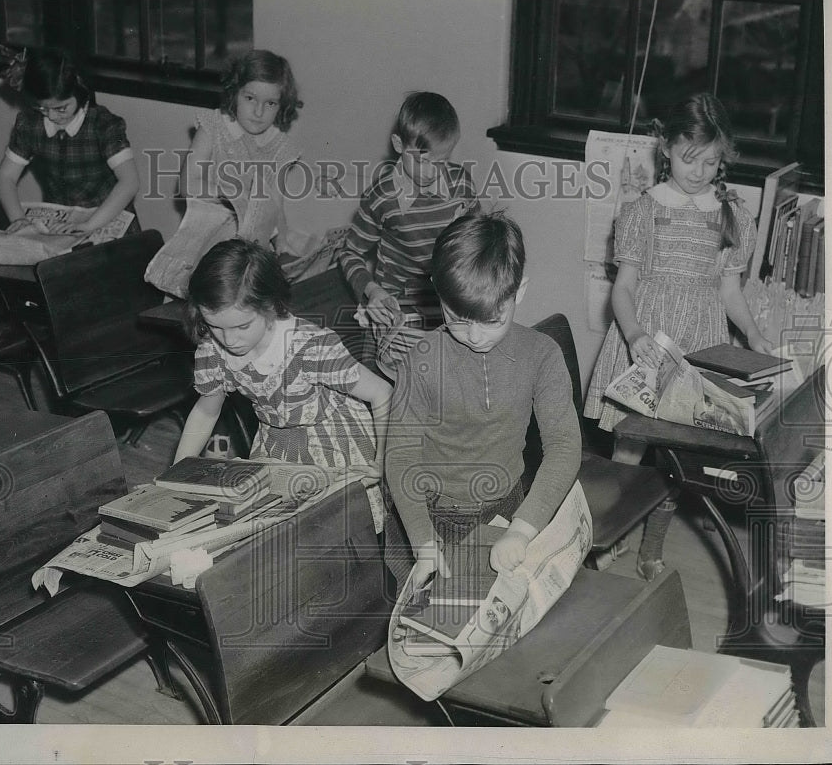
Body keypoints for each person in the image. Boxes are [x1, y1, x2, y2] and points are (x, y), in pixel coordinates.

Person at [584, 92, 772, 581]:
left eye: (712, 162)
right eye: (691, 159)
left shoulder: (732, 214)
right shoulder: (642, 212)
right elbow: (622, 290)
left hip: (699, 346)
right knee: (629, 449)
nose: (701, 171)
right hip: (647, 345)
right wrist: (634, 333)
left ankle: (652, 546)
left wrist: (752, 333)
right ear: (665, 147)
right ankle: (612, 533)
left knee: (678, 456)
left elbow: (729, 290)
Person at [383, 212, 581, 592]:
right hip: (426, 518)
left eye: (490, 320)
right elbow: (401, 456)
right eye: (456, 319)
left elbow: (565, 446)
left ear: (518, 293)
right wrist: (423, 542)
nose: (473, 335)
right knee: (432, 628)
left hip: (508, 513)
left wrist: (523, 528)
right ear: (438, 295)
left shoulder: (542, 355)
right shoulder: (421, 361)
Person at [175, 238, 392, 530]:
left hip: (336, 447)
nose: (229, 340)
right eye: (215, 326)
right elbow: (206, 411)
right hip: (277, 445)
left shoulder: (310, 347)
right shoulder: (213, 351)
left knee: (343, 530)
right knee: (280, 531)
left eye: (242, 326)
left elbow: (382, 392)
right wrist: (178, 473)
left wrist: (382, 459)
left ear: (269, 306)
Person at [338, 92, 479, 378]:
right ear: (399, 146)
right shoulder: (382, 197)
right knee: (402, 393)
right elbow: (349, 252)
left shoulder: (461, 183)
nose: (430, 172)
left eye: (441, 161)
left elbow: (477, 240)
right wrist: (372, 291)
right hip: (398, 316)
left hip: (450, 309)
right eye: (422, 161)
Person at [145, 49, 302, 298]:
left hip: (250, 252)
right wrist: (230, 191)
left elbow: (276, 204)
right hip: (206, 245)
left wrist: (282, 243)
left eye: (270, 103)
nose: (259, 112)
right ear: (234, 92)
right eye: (250, 98)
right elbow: (188, 184)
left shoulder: (280, 145)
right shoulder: (214, 127)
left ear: (282, 105)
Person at [0, 47, 140, 236]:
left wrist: (90, 225)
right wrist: (18, 219)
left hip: (108, 218)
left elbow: (130, 182)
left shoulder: (104, 125)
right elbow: (6, 178)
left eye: (61, 108)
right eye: (42, 108)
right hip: (62, 222)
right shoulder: (29, 124)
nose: (52, 116)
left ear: (81, 92)